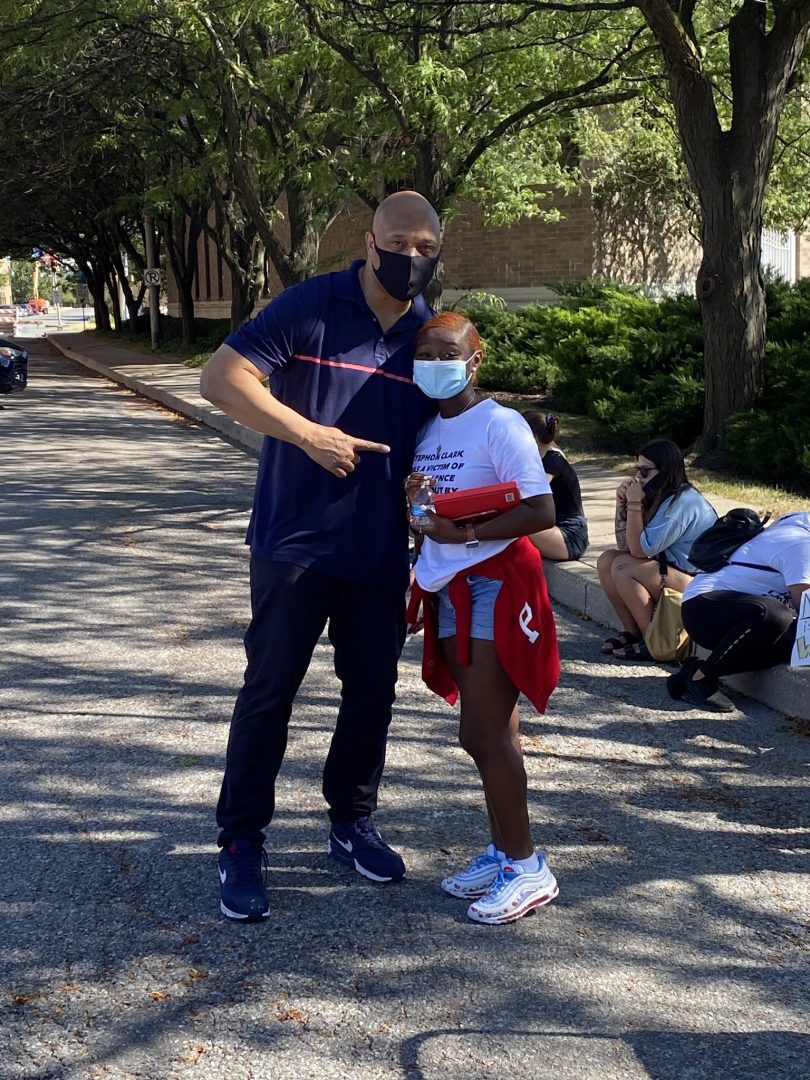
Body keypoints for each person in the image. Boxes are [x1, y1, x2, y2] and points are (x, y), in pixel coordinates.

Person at [200, 191, 442, 921]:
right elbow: (220, 380)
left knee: (371, 695)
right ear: (369, 243)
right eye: (399, 243)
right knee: (270, 692)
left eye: (426, 248)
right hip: (294, 542)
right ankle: (241, 840)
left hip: (377, 552)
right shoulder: (312, 304)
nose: (411, 259)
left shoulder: (430, 335)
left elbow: (441, 439)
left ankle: (351, 823)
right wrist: (307, 433)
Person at [404, 312, 560, 925]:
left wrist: (460, 531)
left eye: (448, 352)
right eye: (425, 352)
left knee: (482, 734)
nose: (434, 362)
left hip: (496, 584)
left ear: (475, 360)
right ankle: (502, 852)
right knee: (494, 731)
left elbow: (541, 508)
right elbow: (428, 513)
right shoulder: (427, 429)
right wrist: (420, 522)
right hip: (450, 586)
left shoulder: (500, 424)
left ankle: (527, 868)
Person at [670, 512, 810, 712]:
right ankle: (704, 678)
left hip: (739, 616)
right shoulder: (800, 544)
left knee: (794, 644)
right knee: (778, 616)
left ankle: (695, 674)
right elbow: (806, 606)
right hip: (704, 609)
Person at [596, 439, 716, 661]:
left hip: (697, 581)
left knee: (624, 567)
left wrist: (633, 503)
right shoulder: (661, 494)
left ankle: (653, 642)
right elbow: (625, 545)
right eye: (636, 470)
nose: (638, 477)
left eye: (645, 471)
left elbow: (639, 552)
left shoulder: (682, 502)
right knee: (607, 560)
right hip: (672, 569)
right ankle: (632, 632)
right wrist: (621, 503)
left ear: (665, 471)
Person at [524, 410, 589, 561]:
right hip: (555, 528)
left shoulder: (553, 459)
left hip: (570, 536)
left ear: (533, 437)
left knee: (516, 524)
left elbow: (533, 494)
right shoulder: (540, 457)